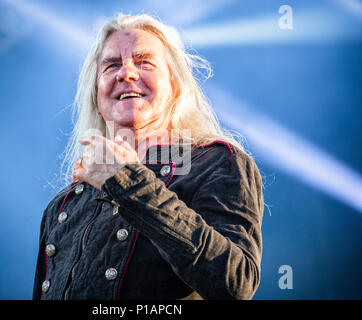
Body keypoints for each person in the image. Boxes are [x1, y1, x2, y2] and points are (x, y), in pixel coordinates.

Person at [33, 13, 264, 300]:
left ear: (175, 88)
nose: (126, 73)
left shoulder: (216, 164)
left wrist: (126, 179)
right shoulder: (64, 204)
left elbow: (235, 282)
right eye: (111, 65)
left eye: (144, 62)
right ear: (96, 96)